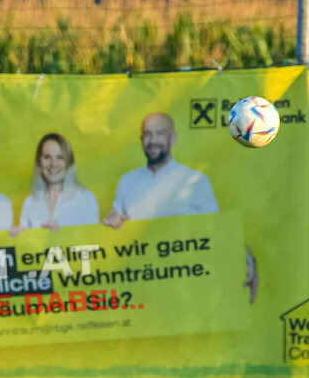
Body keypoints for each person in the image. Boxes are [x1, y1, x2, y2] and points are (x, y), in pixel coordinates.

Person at [103, 112, 258, 302]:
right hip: (141, 292)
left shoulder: (195, 181)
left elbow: (217, 229)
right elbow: (116, 225)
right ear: (141, 140)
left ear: (173, 138)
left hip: (186, 293)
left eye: (160, 133)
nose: (153, 140)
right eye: (148, 134)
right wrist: (112, 222)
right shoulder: (127, 182)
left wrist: (247, 259)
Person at [18, 133, 99, 231]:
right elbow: (25, 244)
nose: (53, 164)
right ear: (39, 161)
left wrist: (60, 237)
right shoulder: (29, 203)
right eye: (47, 157)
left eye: (60, 157)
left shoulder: (86, 199)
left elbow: (92, 241)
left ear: (69, 162)